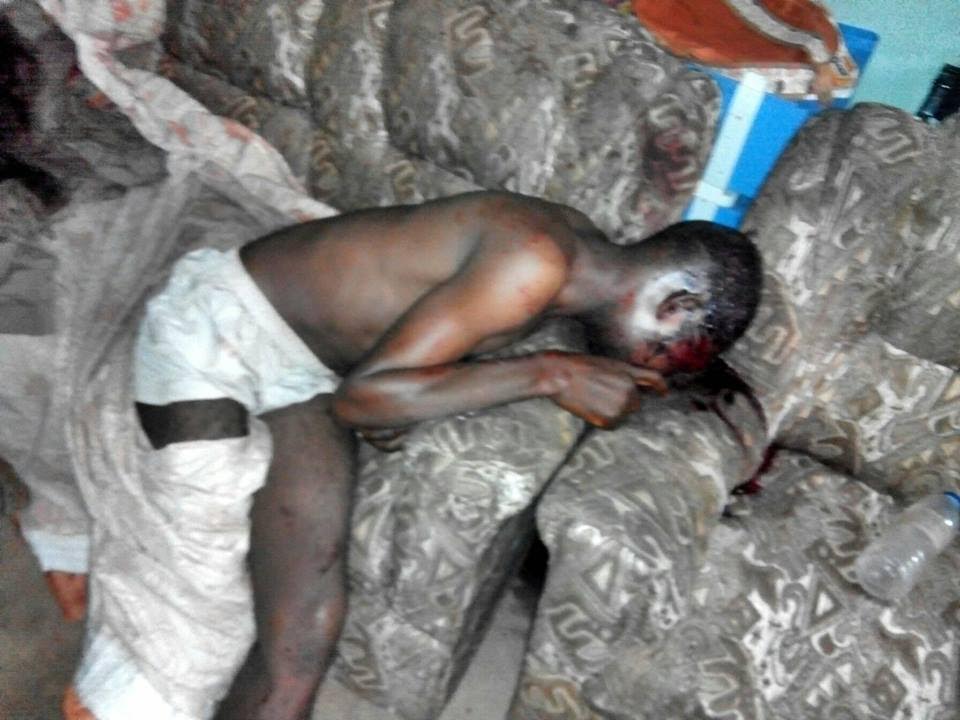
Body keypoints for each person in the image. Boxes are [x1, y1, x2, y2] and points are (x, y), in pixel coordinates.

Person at [63, 190, 761, 720]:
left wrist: (420, 398)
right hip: (217, 331)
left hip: (303, 375)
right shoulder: (537, 260)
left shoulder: (571, 253)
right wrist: (553, 373)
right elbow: (363, 400)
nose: (654, 369)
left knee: (306, 631)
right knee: (203, 599)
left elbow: (397, 368)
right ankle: (103, 704)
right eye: (672, 355)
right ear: (674, 305)